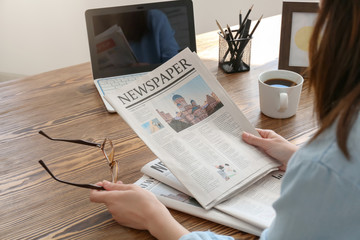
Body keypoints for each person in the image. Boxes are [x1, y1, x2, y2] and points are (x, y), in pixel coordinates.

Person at [89, 0, 360, 239]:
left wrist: (156, 220)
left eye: (321, 14)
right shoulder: (332, 161)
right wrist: (297, 156)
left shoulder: (329, 167)